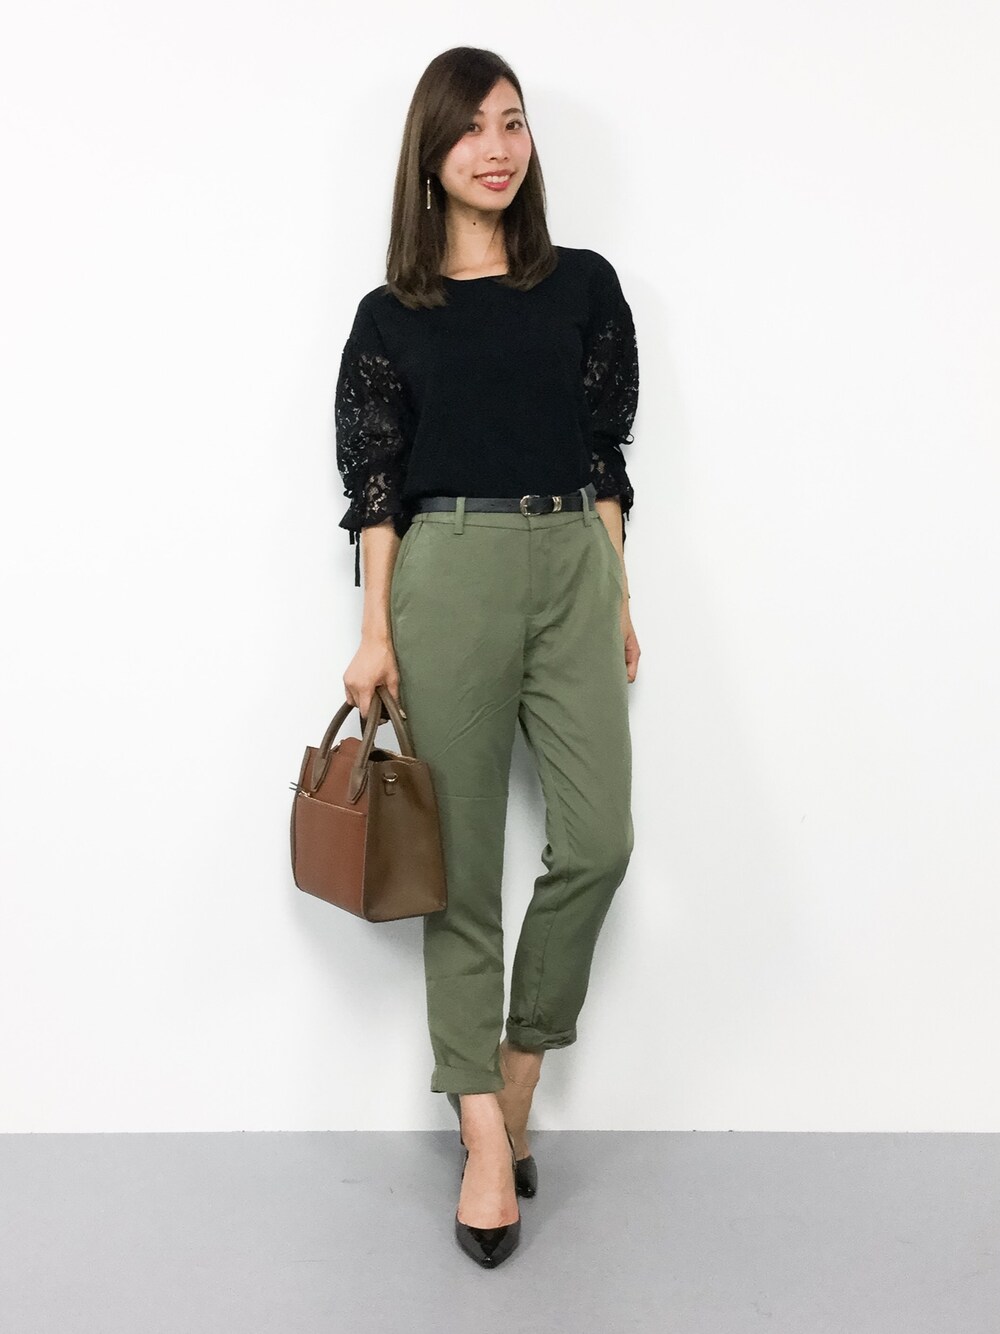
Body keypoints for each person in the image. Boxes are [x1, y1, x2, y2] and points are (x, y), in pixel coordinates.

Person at [334, 46, 640, 1268]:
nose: (497, 148)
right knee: (455, 863)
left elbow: (606, 456)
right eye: (470, 129)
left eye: (512, 123)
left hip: (571, 562)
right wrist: (373, 632)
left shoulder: (585, 286)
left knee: (599, 840)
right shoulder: (389, 316)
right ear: (431, 154)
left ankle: (514, 1075)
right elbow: (374, 490)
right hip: (447, 571)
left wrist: (616, 592)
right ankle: (477, 1135)